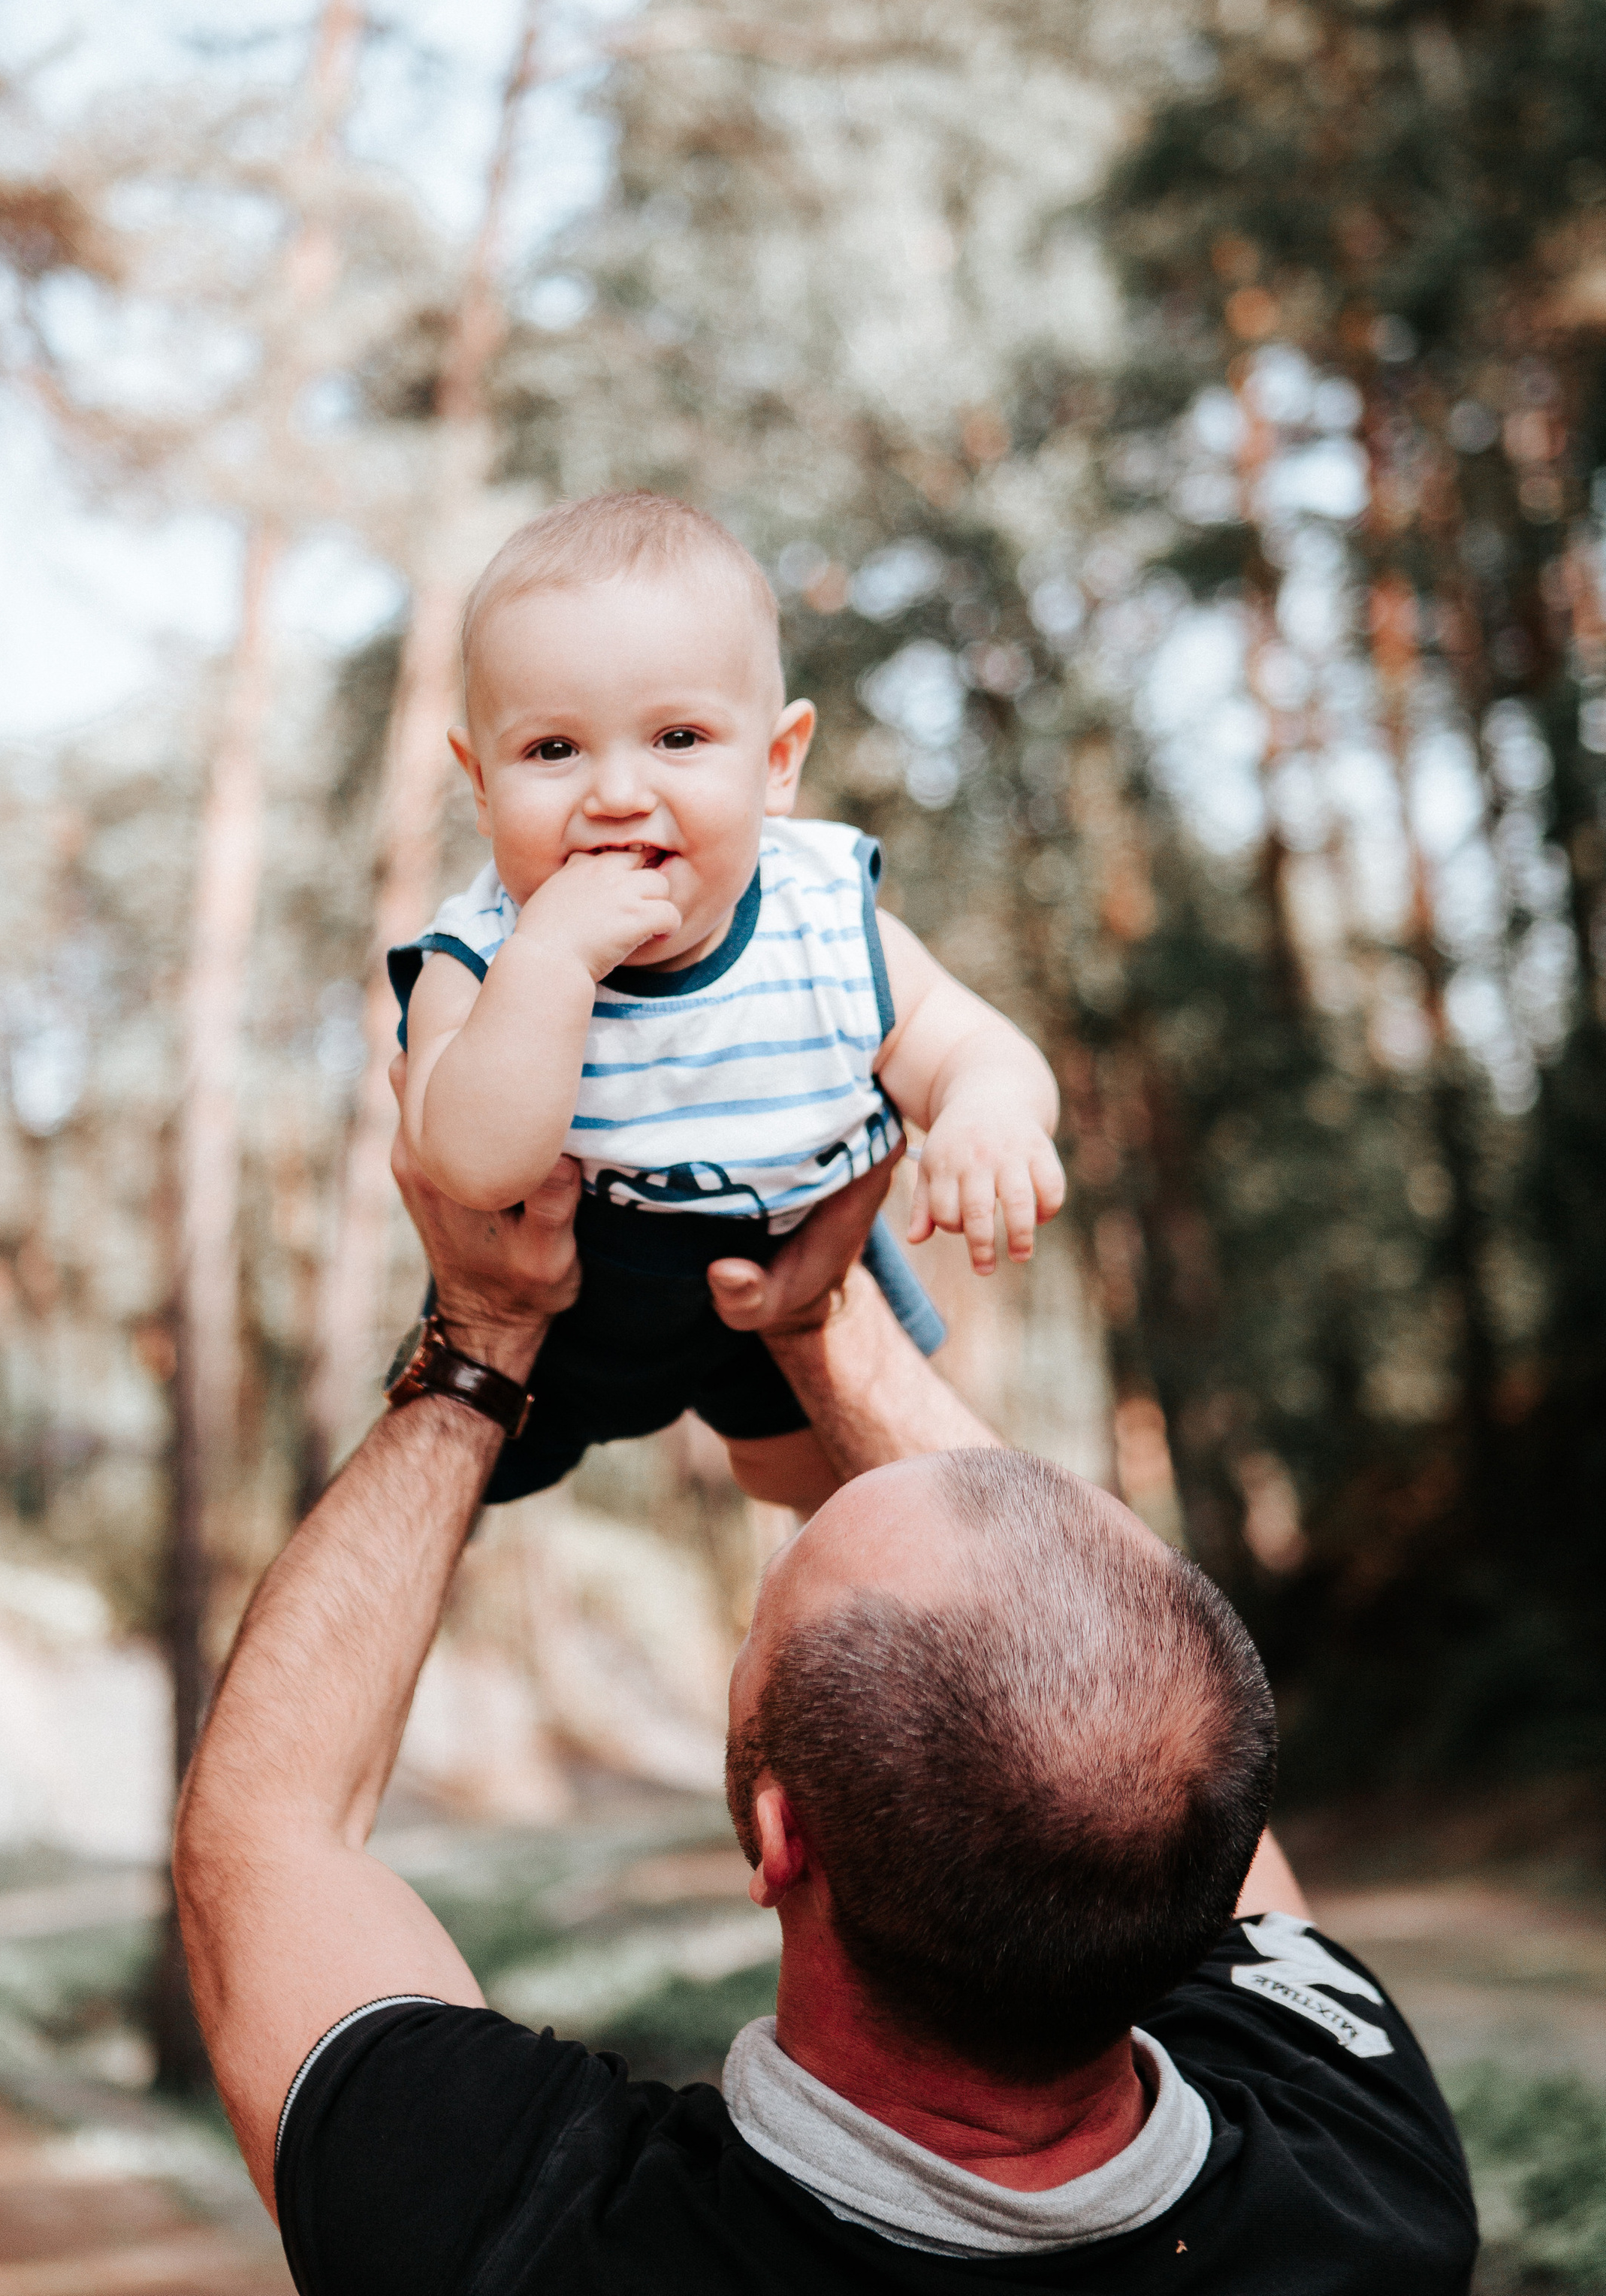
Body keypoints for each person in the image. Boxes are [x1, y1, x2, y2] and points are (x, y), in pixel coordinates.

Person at [176, 1144, 1480, 2295]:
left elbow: (264, 1837)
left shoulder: (520, 2232)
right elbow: (1150, 1747)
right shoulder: (1368, 2180)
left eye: (767, 1619)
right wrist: (821, 1324)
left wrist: (484, 1333)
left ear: (780, 1836)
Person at [390, 489, 1065, 1511]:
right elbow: (474, 1164)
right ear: (480, 784)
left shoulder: (824, 921)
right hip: (569, 1304)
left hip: (789, 1249)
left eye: (678, 738)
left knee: (829, 1495)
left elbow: (970, 1041)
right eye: (553, 751)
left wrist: (989, 1112)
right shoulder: (481, 955)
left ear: (778, 762)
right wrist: (553, 962)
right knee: (452, 1482)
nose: (616, 793)